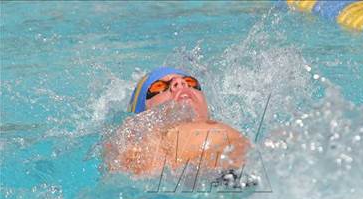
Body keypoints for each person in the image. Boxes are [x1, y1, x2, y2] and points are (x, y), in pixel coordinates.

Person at [103, 67, 252, 186]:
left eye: (190, 82)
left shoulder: (227, 130)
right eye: (160, 86)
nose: (181, 83)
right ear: (141, 112)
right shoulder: (134, 148)